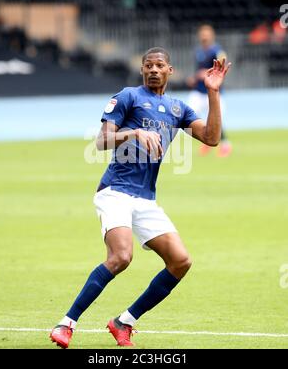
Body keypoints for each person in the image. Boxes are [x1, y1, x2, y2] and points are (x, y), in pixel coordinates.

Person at [50, 47, 231, 348]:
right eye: (149, 65)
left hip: (145, 198)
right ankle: (66, 323)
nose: (154, 70)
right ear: (142, 69)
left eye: (160, 65)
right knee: (121, 257)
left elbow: (211, 138)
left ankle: (124, 322)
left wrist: (212, 92)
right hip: (116, 191)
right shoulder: (127, 97)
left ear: (170, 71)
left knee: (180, 261)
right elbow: (101, 141)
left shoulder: (177, 109)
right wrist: (132, 134)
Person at [187, 24, 232, 157]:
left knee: (218, 120)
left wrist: (205, 73)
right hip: (199, 92)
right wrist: (195, 77)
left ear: (212, 36)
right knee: (190, 116)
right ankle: (206, 140)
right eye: (202, 34)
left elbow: (222, 65)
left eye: (207, 34)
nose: (204, 37)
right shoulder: (198, 51)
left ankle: (225, 144)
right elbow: (198, 71)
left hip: (213, 92)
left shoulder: (217, 50)